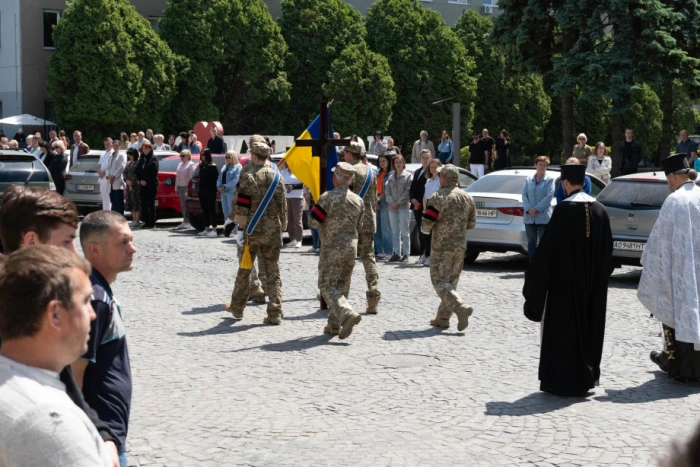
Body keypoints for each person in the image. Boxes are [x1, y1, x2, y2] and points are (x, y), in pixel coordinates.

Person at [0, 186, 120, 466]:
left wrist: (103, 435)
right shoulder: (42, 415)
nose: (75, 253)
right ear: (31, 240)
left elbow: (63, 380)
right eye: (67, 241)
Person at [523, 164, 613, 396]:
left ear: (565, 184)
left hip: (564, 287)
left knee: (565, 333)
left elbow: (546, 255)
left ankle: (563, 380)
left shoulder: (562, 211)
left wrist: (534, 283)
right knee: (589, 327)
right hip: (592, 287)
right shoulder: (601, 211)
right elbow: (608, 254)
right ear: (584, 183)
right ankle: (588, 376)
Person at [74, 210, 136, 467]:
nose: (132, 249)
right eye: (123, 242)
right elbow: (74, 375)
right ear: (94, 250)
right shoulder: (96, 299)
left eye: (131, 240)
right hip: (100, 438)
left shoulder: (100, 291)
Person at [640, 153, 700, 384]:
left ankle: (682, 367)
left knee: (680, 314)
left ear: (674, 177)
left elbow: (658, 242)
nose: (668, 185)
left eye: (668, 180)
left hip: (681, 272)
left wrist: (648, 260)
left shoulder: (674, 201)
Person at [225, 141, 286, 324]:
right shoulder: (277, 176)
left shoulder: (249, 175)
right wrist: (282, 228)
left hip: (253, 230)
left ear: (254, 156)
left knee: (245, 269)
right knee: (273, 271)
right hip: (273, 231)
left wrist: (240, 230)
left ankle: (237, 308)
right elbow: (283, 207)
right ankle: (275, 312)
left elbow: (242, 205)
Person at [309, 162, 364, 338]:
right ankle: (334, 325)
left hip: (331, 249)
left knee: (326, 286)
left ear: (335, 178)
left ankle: (347, 313)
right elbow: (360, 225)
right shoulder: (358, 200)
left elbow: (313, 222)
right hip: (350, 249)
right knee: (342, 286)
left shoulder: (327, 198)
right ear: (350, 180)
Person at [421, 164, 476, 331]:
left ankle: (460, 308)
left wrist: (428, 229)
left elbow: (426, 225)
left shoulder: (437, 197)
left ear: (444, 179)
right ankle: (443, 318)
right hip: (460, 246)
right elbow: (471, 224)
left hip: (441, 247)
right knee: (451, 282)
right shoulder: (467, 197)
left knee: (439, 281)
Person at [345, 141, 382, 314]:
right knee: (369, 258)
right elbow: (374, 199)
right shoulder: (370, 171)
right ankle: (373, 297)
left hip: (351, 221)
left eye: (346, 153)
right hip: (368, 220)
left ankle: (340, 298)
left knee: (346, 260)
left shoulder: (348, 170)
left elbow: (345, 197)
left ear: (350, 154)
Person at [522, 156, 555, 261]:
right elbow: (524, 194)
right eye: (540, 164)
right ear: (535, 165)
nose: (542, 167)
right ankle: (532, 265)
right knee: (531, 243)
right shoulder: (528, 179)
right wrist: (529, 208)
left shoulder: (550, 180)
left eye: (544, 165)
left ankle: (543, 265)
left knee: (544, 243)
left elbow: (549, 196)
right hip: (529, 217)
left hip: (543, 217)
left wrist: (536, 209)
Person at [385, 153, 412, 262]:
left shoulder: (408, 176)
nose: (398, 164)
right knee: (395, 232)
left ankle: (405, 254)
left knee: (405, 232)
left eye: (400, 162)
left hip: (403, 207)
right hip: (392, 208)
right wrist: (392, 203)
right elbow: (387, 192)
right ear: (394, 164)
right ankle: (396, 253)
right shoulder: (391, 176)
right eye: (396, 162)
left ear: (403, 163)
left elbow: (407, 192)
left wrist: (398, 203)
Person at [410, 149, 431, 264]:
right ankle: (422, 254)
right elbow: (413, 187)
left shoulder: (432, 173)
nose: (425, 160)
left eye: (427, 157)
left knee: (427, 231)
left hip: (426, 205)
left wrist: (422, 203)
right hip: (416, 205)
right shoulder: (418, 172)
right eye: (423, 158)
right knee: (420, 230)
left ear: (430, 158)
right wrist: (413, 199)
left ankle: (428, 254)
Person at [421, 158, 443, 267]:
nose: (433, 169)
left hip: (437, 207)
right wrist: (425, 209)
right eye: (431, 167)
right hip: (428, 207)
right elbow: (425, 196)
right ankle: (427, 255)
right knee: (426, 233)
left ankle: (433, 257)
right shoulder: (428, 180)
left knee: (435, 234)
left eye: (435, 167)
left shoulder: (441, 181)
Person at [278, 159, 304, 248]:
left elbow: (303, 184)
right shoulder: (283, 172)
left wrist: (294, 186)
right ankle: (292, 239)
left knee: (297, 220)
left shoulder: (299, 171)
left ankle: (299, 239)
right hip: (286, 197)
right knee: (289, 219)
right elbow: (280, 183)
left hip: (297, 197)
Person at [135, 141, 159, 229]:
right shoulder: (141, 159)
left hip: (151, 184)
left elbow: (154, 172)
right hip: (142, 184)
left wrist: (146, 180)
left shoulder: (153, 158)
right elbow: (137, 171)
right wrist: (140, 180)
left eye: (146, 148)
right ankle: (146, 221)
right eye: (143, 148)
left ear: (150, 149)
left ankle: (151, 223)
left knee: (151, 203)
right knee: (143, 203)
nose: (145, 150)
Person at [197, 149, 220, 237]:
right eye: (201, 154)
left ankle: (214, 229)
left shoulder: (213, 166)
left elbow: (216, 178)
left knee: (212, 209)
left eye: (204, 154)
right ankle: (206, 228)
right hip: (202, 190)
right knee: (204, 210)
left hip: (210, 190)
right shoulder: (202, 165)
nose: (202, 156)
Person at [374, 153, 393, 259]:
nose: (381, 163)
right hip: (377, 201)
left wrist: (380, 197)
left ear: (388, 162)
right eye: (380, 161)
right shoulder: (378, 173)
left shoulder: (391, 173)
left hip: (386, 201)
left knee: (386, 228)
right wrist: (375, 201)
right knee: (377, 228)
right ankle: (379, 251)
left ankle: (388, 251)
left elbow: (389, 188)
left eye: (383, 161)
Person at [217, 150, 241, 230]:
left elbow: (235, 180)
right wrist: (218, 187)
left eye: (229, 157)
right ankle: (226, 229)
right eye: (226, 157)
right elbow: (219, 178)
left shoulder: (238, 167)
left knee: (232, 212)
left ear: (233, 157)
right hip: (223, 192)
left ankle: (233, 231)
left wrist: (225, 187)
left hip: (231, 192)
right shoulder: (224, 166)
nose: (227, 159)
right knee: (225, 212)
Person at [123, 148, 142, 229]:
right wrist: (126, 180)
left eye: (131, 154)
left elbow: (137, 175)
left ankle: (137, 220)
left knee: (136, 202)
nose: (129, 156)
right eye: (128, 154)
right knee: (131, 202)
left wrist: (131, 184)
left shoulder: (138, 163)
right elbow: (124, 173)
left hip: (136, 186)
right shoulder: (128, 163)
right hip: (128, 185)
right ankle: (133, 220)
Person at [107, 139, 126, 215]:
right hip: (110, 181)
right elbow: (108, 167)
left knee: (119, 201)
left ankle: (120, 217)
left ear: (120, 146)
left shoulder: (121, 155)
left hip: (117, 180)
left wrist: (113, 176)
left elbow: (122, 166)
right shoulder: (111, 155)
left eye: (117, 145)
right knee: (113, 200)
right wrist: (109, 176)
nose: (115, 147)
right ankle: (113, 217)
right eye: (114, 145)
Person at [98, 138, 114, 212]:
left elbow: (110, 166)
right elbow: (99, 165)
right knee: (104, 197)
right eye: (105, 144)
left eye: (108, 143)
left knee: (108, 198)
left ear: (111, 143)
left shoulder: (113, 153)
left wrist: (103, 173)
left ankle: (108, 213)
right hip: (101, 178)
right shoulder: (103, 154)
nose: (106, 145)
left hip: (107, 178)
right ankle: (105, 212)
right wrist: (99, 173)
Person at [304, 185, 320, 253]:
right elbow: (305, 187)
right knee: (311, 226)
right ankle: (314, 246)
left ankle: (319, 246)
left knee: (318, 227)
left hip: (318, 202)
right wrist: (306, 193)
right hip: (310, 202)